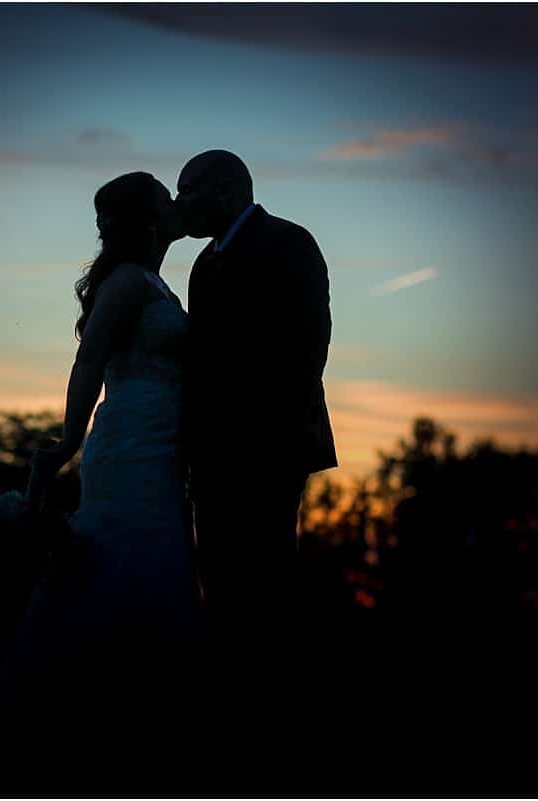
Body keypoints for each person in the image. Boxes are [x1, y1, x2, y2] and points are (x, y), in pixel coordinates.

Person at [0, 172, 204, 725]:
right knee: (124, 550)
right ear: (152, 219)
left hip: (163, 445)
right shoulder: (129, 282)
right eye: (167, 195)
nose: (178, 201)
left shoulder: (160, 287)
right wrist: (67, 442)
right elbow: (89, 362)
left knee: (156, 555)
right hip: (129, 442)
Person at [176, 149, 338, 701]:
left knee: (265, 582)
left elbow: (308, 347)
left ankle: (273, 698)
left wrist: (259, 436)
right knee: (220, 584)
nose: (180, 207)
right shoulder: (202, 265)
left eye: (188, 192)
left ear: (225, 189)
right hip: (214, 456)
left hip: (269, 451)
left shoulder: (289, 242)